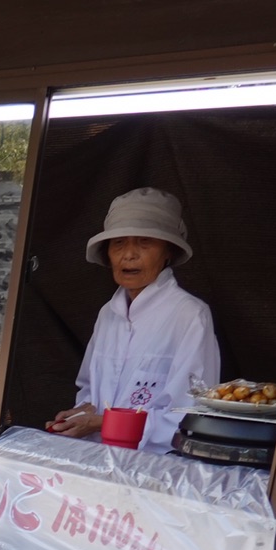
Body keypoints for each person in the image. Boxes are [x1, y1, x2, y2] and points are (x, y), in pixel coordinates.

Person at [47, 188, 220, 454]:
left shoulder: (189, 315)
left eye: (144, 242)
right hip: (96, 458)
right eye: (119, 244)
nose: (129, 254)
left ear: (168, 253)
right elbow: (89, 387)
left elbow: (189, 413)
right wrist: (80, 414)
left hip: (154, 466)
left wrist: (104, 424)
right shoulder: (108, 314)